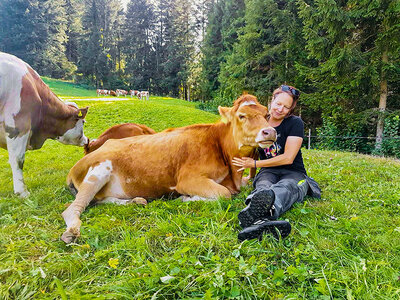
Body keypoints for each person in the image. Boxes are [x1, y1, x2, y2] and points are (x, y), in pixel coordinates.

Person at [232, 85, 321, 241]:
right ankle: (263, 220)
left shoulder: (295, 123)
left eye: (286, 107)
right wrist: (251, 175)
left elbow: (288, 158)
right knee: (263, 186)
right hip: (268, 171)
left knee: (287, 187)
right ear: (272, 100)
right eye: (278, 104)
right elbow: (251, 148)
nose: (281, 109)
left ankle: (257, 216)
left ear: (290, 110)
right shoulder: (260, 121)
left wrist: (254, 165)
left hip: (293, 172)